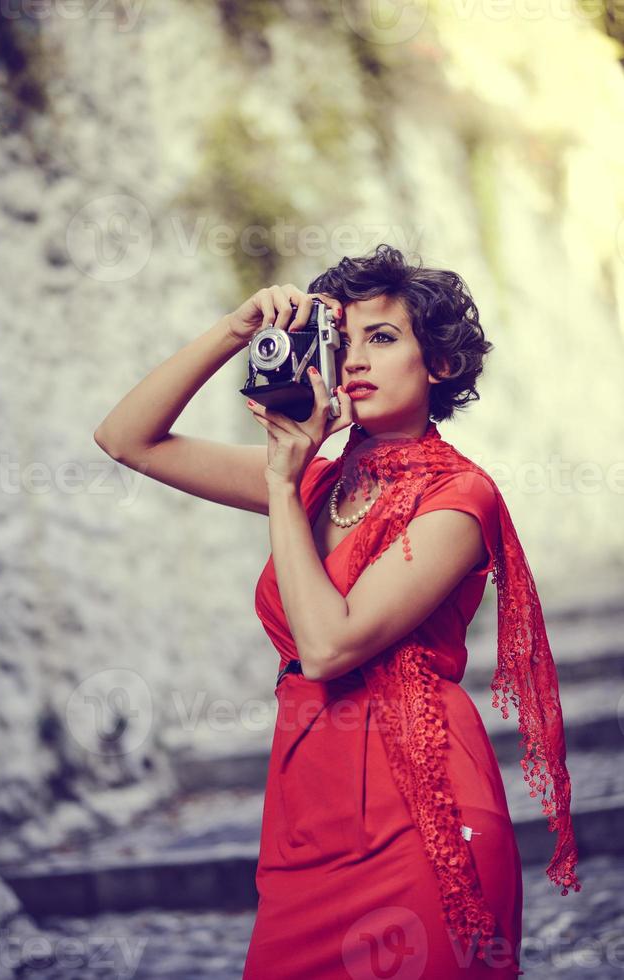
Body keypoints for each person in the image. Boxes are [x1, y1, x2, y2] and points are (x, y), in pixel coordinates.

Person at [94, 244, 580, 979]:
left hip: (425, 812)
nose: (354, 361)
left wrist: (283, 491)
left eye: (382, 338)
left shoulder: (458, 499)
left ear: (439, 363)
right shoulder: (318, 481)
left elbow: (326, 647)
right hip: (306, 808)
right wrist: (236, 329)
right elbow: (127, 438)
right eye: (340, 341)